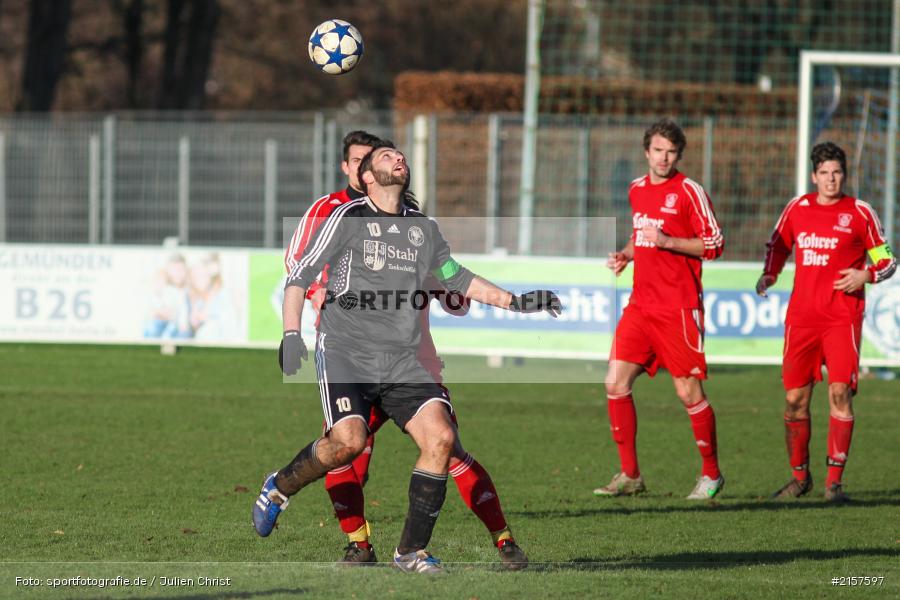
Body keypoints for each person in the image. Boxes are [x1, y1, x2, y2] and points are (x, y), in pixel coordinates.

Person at [253, 141, 560, 573]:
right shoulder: (347, 218)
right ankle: (280, 486)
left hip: (402, 360)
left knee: (442, 439)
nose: (398, 158)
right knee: (348, 444)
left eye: (400, 155)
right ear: (366, 177)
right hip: (345, 351)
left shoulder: (423, 228)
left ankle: (410, 552)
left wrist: (518, 302)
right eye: (386, 156)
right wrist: (290, 334)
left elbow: (457, 278)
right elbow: (300, 275)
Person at [756, 141, 896, 503]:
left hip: (842, 319)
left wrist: (865, 275)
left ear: (844, 175)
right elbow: (778, 245)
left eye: (837, 173)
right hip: (802, 319)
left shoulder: (860, 213)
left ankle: (834, 484)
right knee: (794, 400)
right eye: (824, 173)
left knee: (839, 393)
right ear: (813, 176)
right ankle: (799, 478)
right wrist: (770, 274)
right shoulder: (798, 208)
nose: (831, 179)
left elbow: (887, 261)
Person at [596, 118, 725, 500]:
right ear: (646, 151)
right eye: (658, 150)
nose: (663, 158)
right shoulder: (637, 189)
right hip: (640, 306)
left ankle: (712, 474)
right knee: (615, 382)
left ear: (678, 155)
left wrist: (668, 241)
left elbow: (715, 244)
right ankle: (630, 475)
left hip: (678, 308)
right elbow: (641, 236)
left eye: (671, 152)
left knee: (688, 392)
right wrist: (626, 254)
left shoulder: (689, 191)